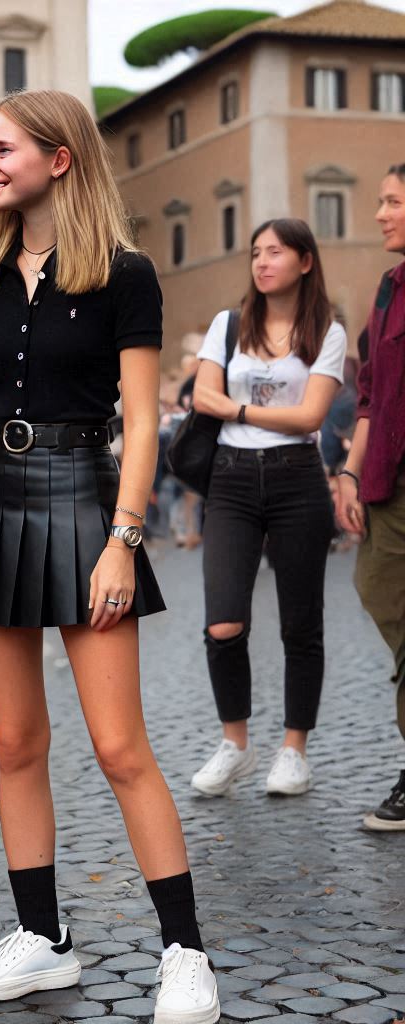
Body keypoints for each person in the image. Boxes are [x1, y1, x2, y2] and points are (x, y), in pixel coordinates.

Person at [0, 91, 220, 1024]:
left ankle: (185, 953)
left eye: (3, 148)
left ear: (60, 157)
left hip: (87, 502)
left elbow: (141, 422)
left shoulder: (125, 274)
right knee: (16, 743)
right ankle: (43, 941)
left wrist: (125, 539)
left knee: (119, 745)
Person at [190, 219, 346, 799]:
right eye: (256, 252)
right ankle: (236, 743)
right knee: (223, 620)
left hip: (297, 481)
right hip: (230, 481)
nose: (261, 261)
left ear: (305, 261)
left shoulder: (327, 330)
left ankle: (294, 750)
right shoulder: (228, 325)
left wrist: (238, 410)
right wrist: (240, 411)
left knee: (301, 624)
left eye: (275, 252)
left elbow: (311, 418)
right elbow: (201, 396)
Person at [335, 163, 405, 830]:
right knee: (380, 592)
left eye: (392, 201)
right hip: (387, 479)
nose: (381, 213)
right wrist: (351, 474)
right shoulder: (388, 287)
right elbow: (370, 395)